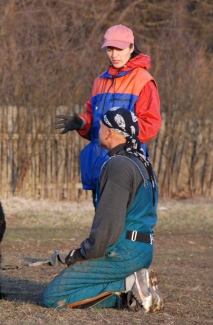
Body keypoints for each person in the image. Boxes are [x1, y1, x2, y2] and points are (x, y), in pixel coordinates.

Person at [42, 107, 164, 312]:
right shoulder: (142, 163)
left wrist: (81, 255)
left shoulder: (119, 165)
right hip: (142, 250)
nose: (98, 130)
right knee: (79, 281)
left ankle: (128, 287)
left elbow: (108, 227)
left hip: (123, 252)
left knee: (54, 296)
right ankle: (132, 287)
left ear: (109, 131)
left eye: (101, 126)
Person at [55, 24, 161, 206]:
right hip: (99, 165)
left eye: (119, 49)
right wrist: (81, 123)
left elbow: (150, 125)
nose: (114, 54)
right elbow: (94, 120)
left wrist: (118, 140)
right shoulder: (100, 81)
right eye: (110, 49)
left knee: (122, 226)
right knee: (103, 225)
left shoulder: (143, 81)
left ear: (131, 48)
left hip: (127, 165)